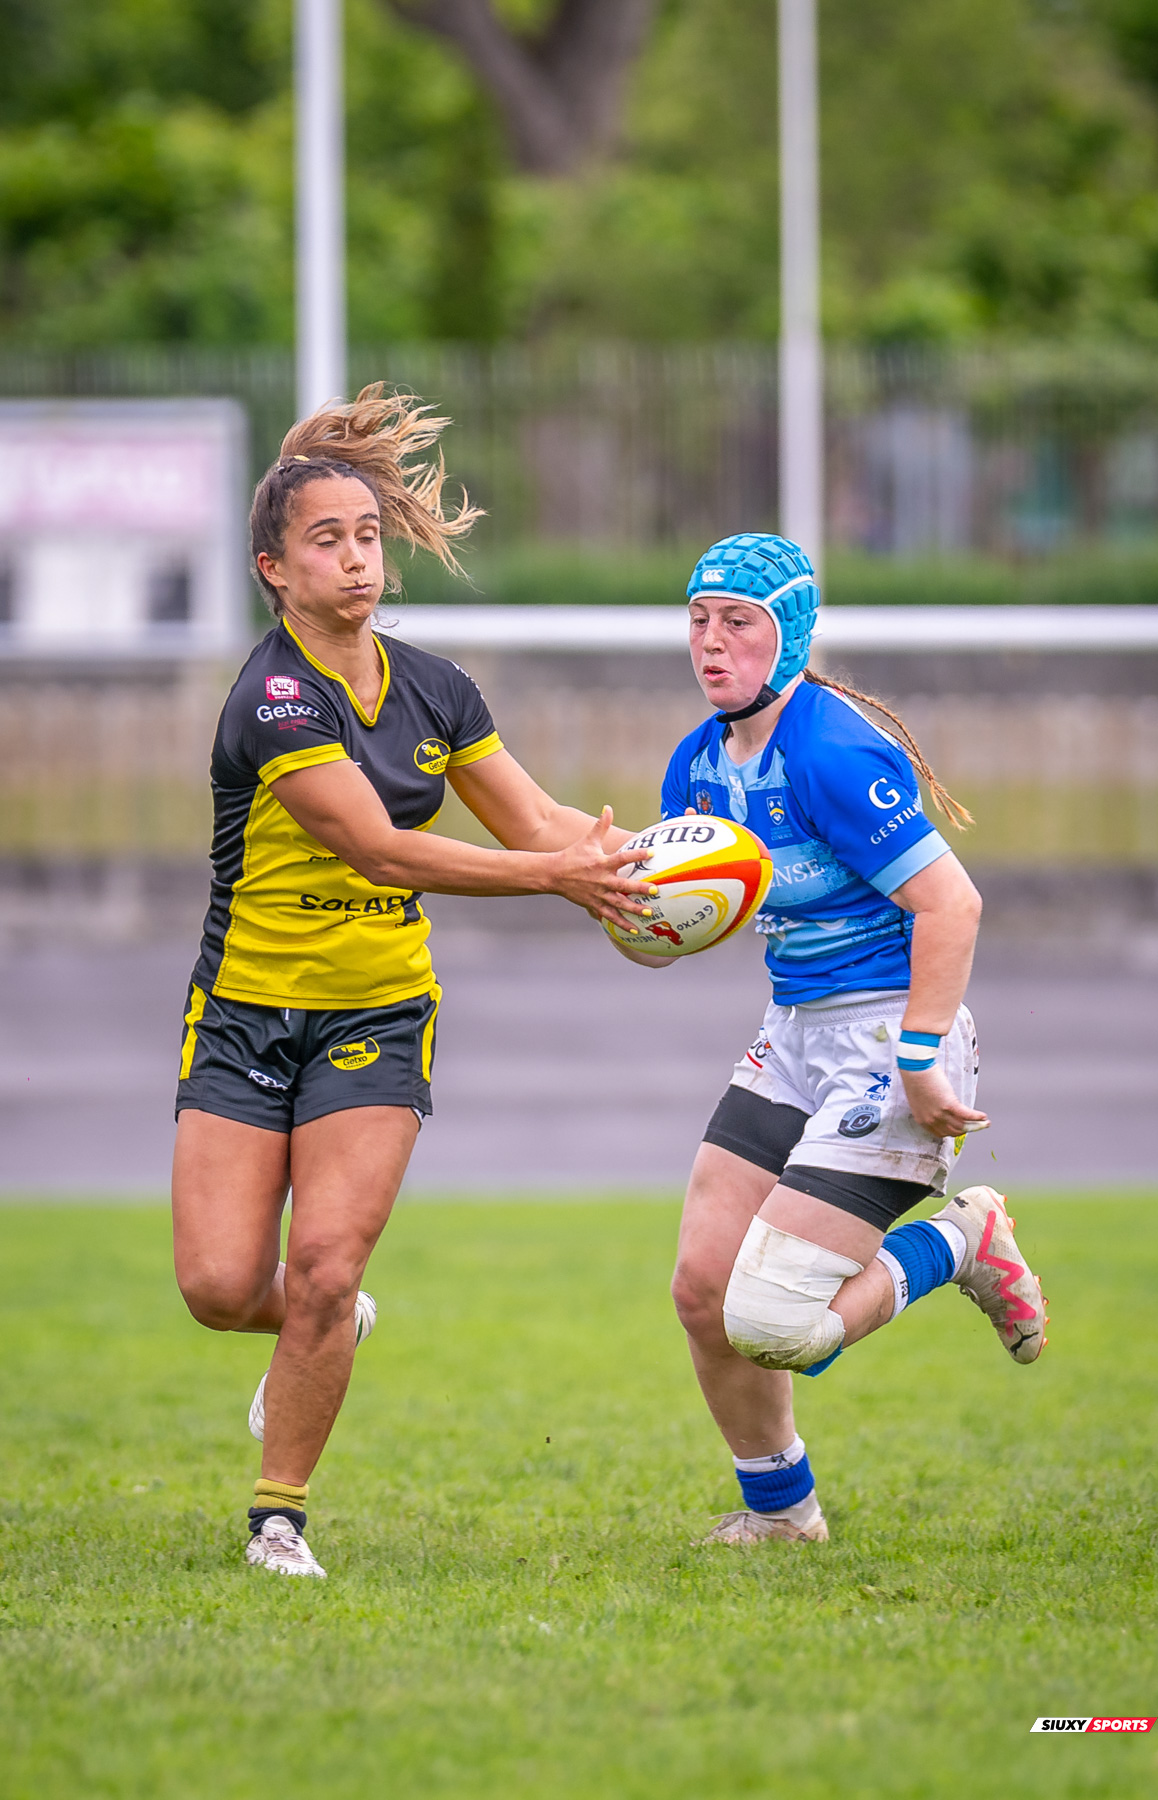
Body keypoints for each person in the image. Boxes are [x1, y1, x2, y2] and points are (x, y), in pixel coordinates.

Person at [173, 385, 651, 1578]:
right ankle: (324, 1326)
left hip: (379, 1012)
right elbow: (378, 849)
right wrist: (554, 878)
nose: (355, 559)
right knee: (224, 1287)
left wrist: (631, 866)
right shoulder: (271, 698)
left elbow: (535, 816)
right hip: (241, 1013)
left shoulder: (437, 689)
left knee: (326, 1263)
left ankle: (277, 1517)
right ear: (272, 570)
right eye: (325, 541)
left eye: (368, 535)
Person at [620, 533, 1046, 1545]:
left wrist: (917, 1058)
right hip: (791, 1036)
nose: (711, 644)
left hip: (888, 1044)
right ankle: (782, 1515)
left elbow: (951, 904)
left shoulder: (830, 750)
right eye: (697, 620)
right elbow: (679, 937)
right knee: (701, 1290)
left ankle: (959, 1241)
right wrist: (629, 911)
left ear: (791, 635)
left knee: (775, 1327)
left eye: (738, 623)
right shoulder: (696, 762)